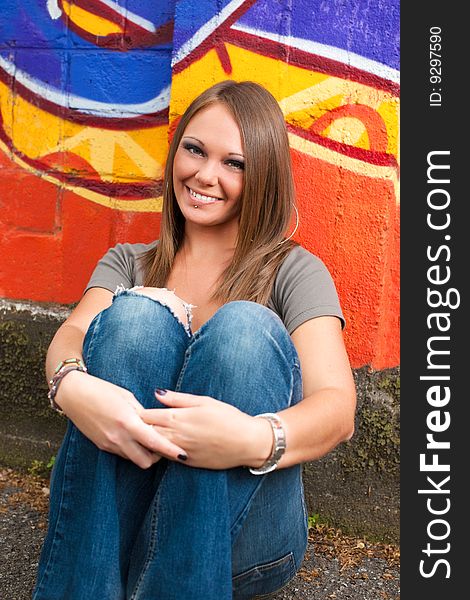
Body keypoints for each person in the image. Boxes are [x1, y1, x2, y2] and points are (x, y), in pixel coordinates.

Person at [33, 80, 356, 600]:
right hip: (125, 516)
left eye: (236, 163)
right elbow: (70, 334)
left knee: (244, 329)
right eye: (195, 150)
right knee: (135, 318)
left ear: (264, 177)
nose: (206, 175)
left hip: (243, 536)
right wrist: (71, 388)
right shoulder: (129, 263)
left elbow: (338, 408)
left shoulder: (293, 271)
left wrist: (247, 440)